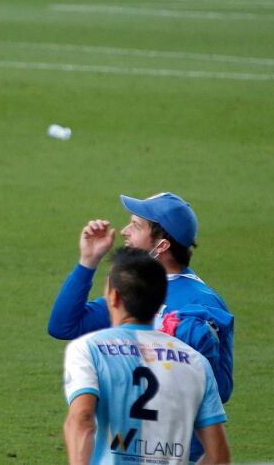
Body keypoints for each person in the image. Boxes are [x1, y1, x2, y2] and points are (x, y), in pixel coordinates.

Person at [47, 193, 233, 401]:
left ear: (162, 245)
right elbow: (63, 326)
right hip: (129, 431)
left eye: (136, 226)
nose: (124, 232)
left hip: (177, 432)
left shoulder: (202, 303)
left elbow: (220, 390)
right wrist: (88, 261)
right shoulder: (137, 287)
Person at [62, 248, 230, 464]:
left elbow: (82, 419)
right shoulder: (196, 362)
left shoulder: (88, 348)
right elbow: (219, 457)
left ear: (113, 297)